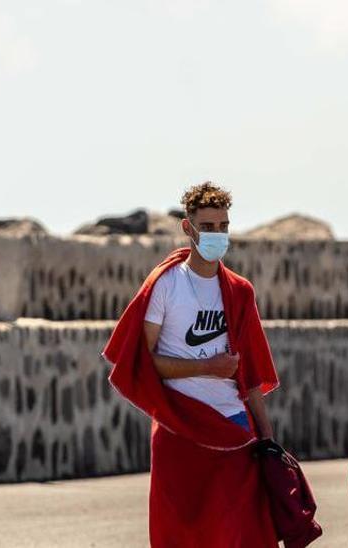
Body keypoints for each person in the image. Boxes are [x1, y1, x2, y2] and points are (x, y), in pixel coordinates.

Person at [102, 182, 282, 547]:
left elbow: (249, 376)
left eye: (224, 227)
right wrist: (206, 368)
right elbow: (146, 363)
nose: (218, 235)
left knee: (240, 534)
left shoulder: (239, 291)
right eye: (210, 227)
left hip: (233, 428)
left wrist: (267, 440)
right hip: (177, 426)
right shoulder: (166, 285)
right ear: (189, 228)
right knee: (181, 534)